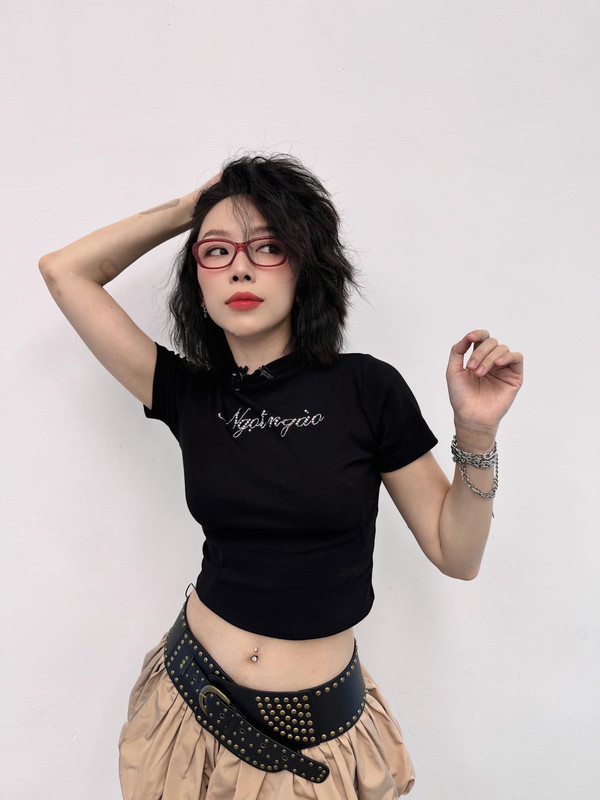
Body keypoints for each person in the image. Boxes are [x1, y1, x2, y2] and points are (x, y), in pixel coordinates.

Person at [39, 154, 523, 799]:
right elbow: (65, 271)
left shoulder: (367, 388)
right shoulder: (187, 392)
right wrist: (192, 208)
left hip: (316, 745)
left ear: (306, 269)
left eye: (268, 247)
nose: (240, 267)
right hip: (187, 713)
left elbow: (456, 555)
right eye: (217, 252)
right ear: (198, 284)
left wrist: (477, 433)